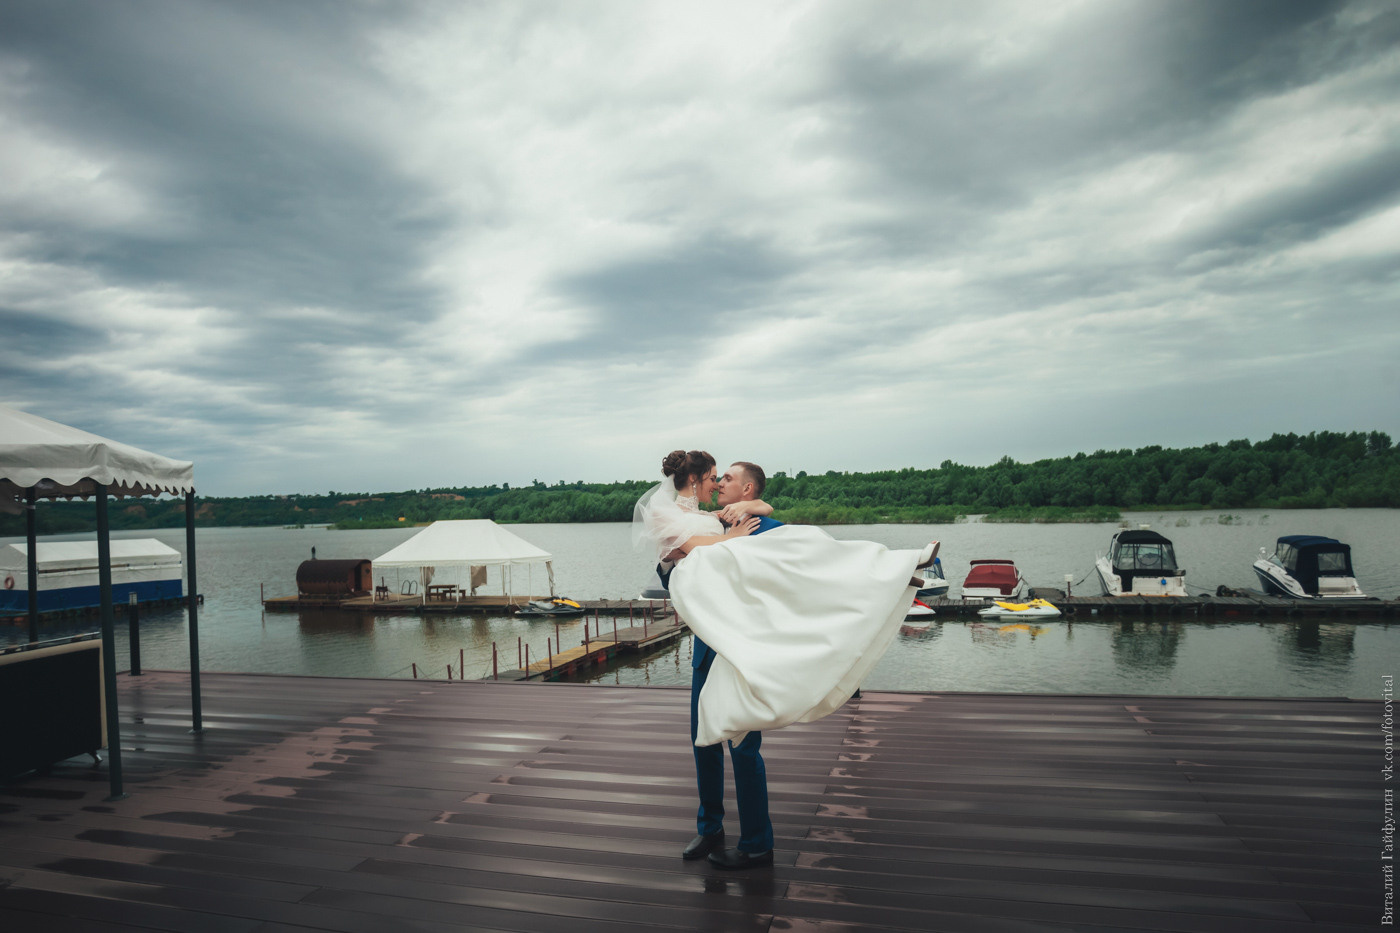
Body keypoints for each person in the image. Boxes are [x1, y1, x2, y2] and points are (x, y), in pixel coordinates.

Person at [635, 449, 938, 870]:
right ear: (697, 480)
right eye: (714, 478)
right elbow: (689, 549)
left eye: (726, 480)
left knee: (742, 741)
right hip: (709, 639)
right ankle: (710, 828)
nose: (718, 484)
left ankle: (758, 842)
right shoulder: (690, 519)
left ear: (742, 489)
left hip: (743, 636)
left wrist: (747, 511)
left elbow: (781, 528)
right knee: (702, 736)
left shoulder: (734, 519)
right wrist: (734, 530)